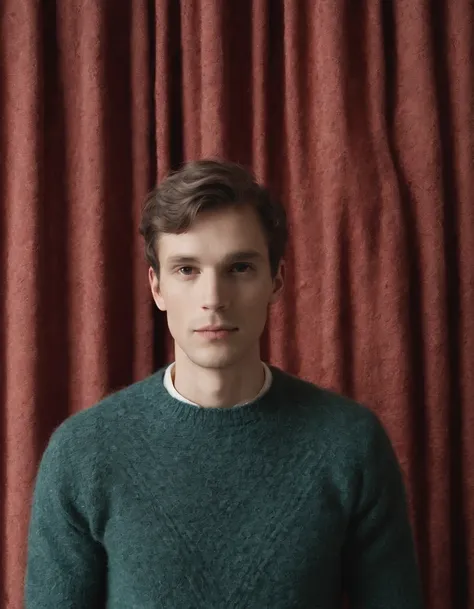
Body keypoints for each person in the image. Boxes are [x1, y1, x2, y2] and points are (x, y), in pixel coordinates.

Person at [24, 159, 424, 608]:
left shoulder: (351, 444)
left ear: (276, 281)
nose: (213, 299)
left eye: (239, 268)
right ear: (156, 288)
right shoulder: (83, 454)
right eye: (187, 270)